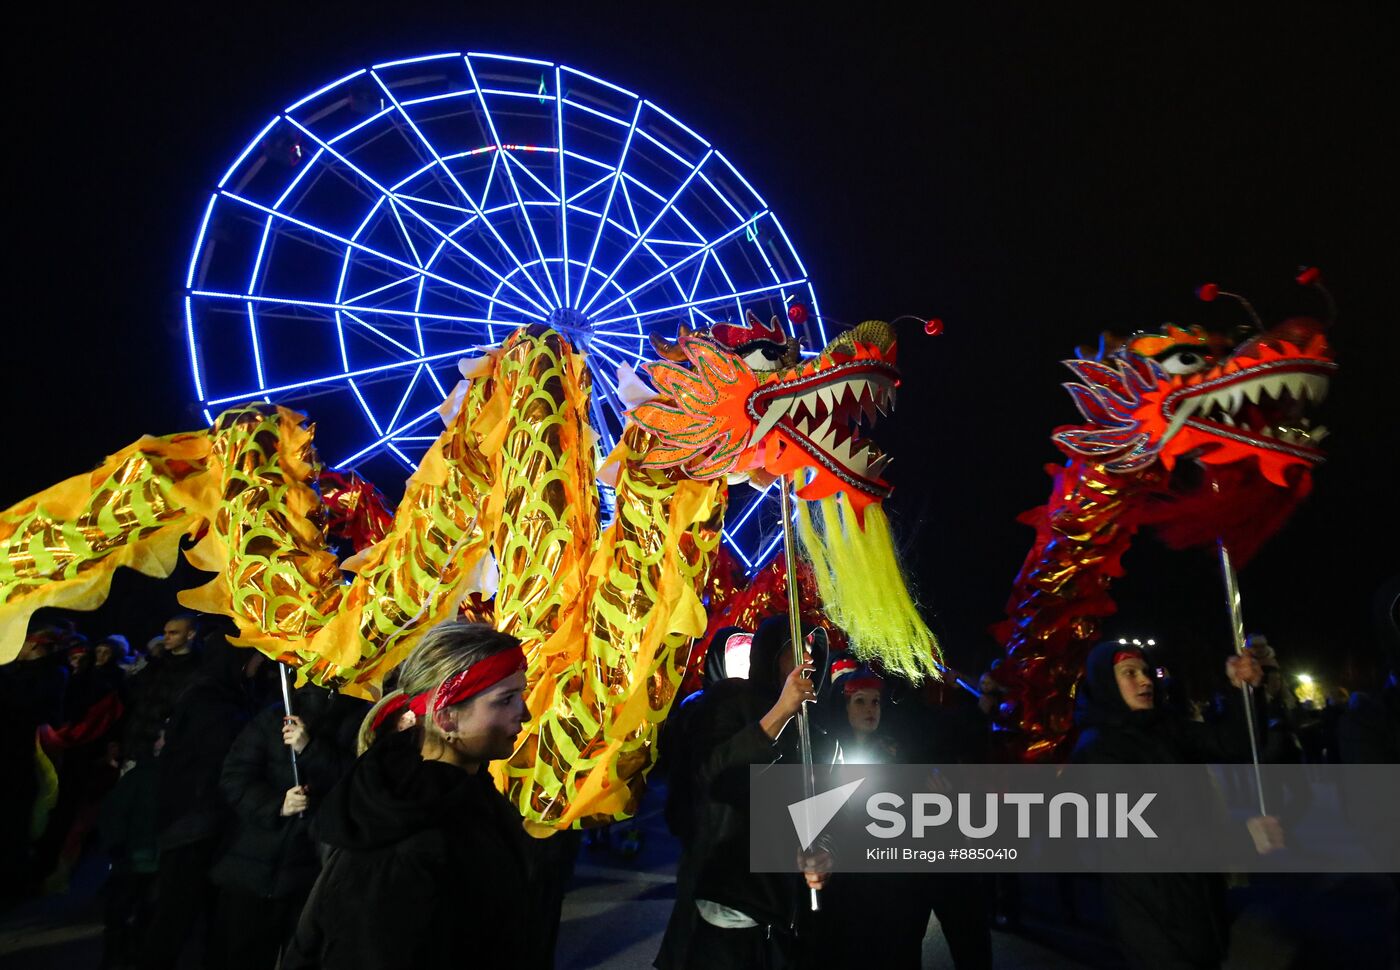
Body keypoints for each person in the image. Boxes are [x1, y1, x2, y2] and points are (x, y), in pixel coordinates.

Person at [282, 621, 531, 970]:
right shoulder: (402, 827)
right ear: (446, 719)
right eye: (505, 699)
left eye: (521, 694)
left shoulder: (462, 793)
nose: (526, 713)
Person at [1071, 639, 1279, 970]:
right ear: (1105, 683)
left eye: (1145, 671)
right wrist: (1242, 838)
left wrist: (1242, 691)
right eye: (1129, 673)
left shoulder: (1163, 726)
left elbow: (1233, 744)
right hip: (1154, 916)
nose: (1145, 680)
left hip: (1196, 901)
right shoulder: (1098, 752)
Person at [655, 614, 833, 970]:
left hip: (784, 917)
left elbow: (822, 810)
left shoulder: (817, 729)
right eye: (797, 649)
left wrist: (824, 853)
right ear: (769, 654)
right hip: (724, 907)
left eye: (813, 651)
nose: (808, 660)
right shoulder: (728, 700)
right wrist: (779, 713)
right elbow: (713, 773)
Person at [210, 679, 368, 969]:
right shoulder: (274, 717)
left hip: (309, 871)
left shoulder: (361, 722)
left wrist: (311, 748)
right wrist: (276, 805)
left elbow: (358, 785)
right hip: (250, 869)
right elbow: (234, 777)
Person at [139, 633, 267, 970]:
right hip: (196, 822)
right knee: (177, 913)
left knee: (182, 910)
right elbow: (218, 763)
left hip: (188, 816)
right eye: (255, 657)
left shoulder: (206, 692)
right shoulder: (216, 705)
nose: (261, 664)